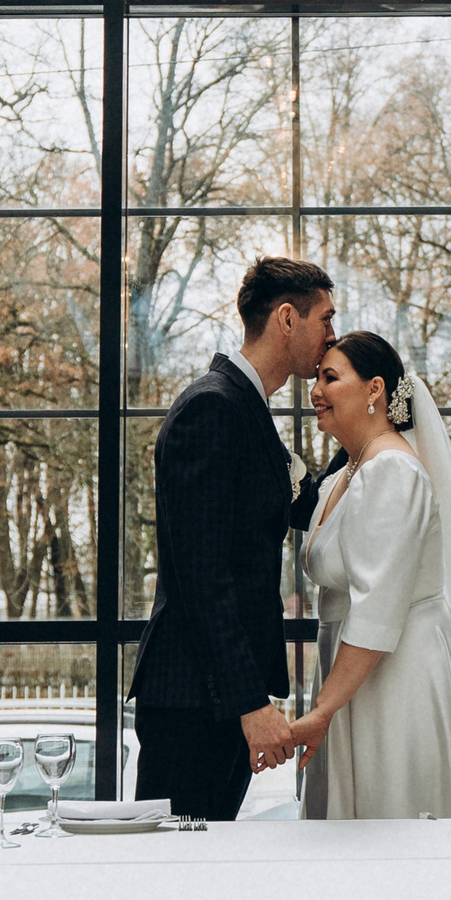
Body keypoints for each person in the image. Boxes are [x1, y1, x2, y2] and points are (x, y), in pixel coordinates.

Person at [128, 256, 337, 820]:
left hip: (211, 698)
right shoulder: (212, 409)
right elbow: (203, 578)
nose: (331, 336)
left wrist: (368, 429)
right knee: (177, 878)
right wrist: (250, 703)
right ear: (287, 318)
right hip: (195, 700)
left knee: (202, 878)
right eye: (326, 319)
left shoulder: (245, 410)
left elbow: (303, 503)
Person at [289, 331, 451, 818]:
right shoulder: (342, 477)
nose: (314, 390)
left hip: (401, 678)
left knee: (393, 819)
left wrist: (320, 714)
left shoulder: (394, 471)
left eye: (330, 377)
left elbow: (376, 611)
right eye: (316, 377)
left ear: (375, 389)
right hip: (349, 675)